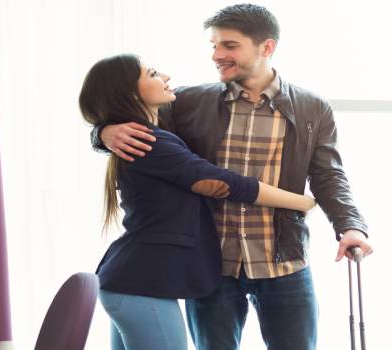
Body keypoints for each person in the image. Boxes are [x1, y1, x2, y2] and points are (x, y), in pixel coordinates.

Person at [92, 4, 374, 350]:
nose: (217, 55)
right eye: (213, 45)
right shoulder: (187, 102)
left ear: (266, 47)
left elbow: (329, 175)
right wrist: (104, 131)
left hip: (283, 262)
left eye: (229, 46)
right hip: (213, 266)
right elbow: (135, 124)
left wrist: (351, 226)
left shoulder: (311, 107)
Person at [80, 54, 317, 350]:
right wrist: (302, 202)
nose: (166, 76)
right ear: (130, 93)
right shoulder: (151, 143)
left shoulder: (156, 129)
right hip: (139, 286)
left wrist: (104, 129)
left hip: (127, 283)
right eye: (153, 73)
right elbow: (224, 184)